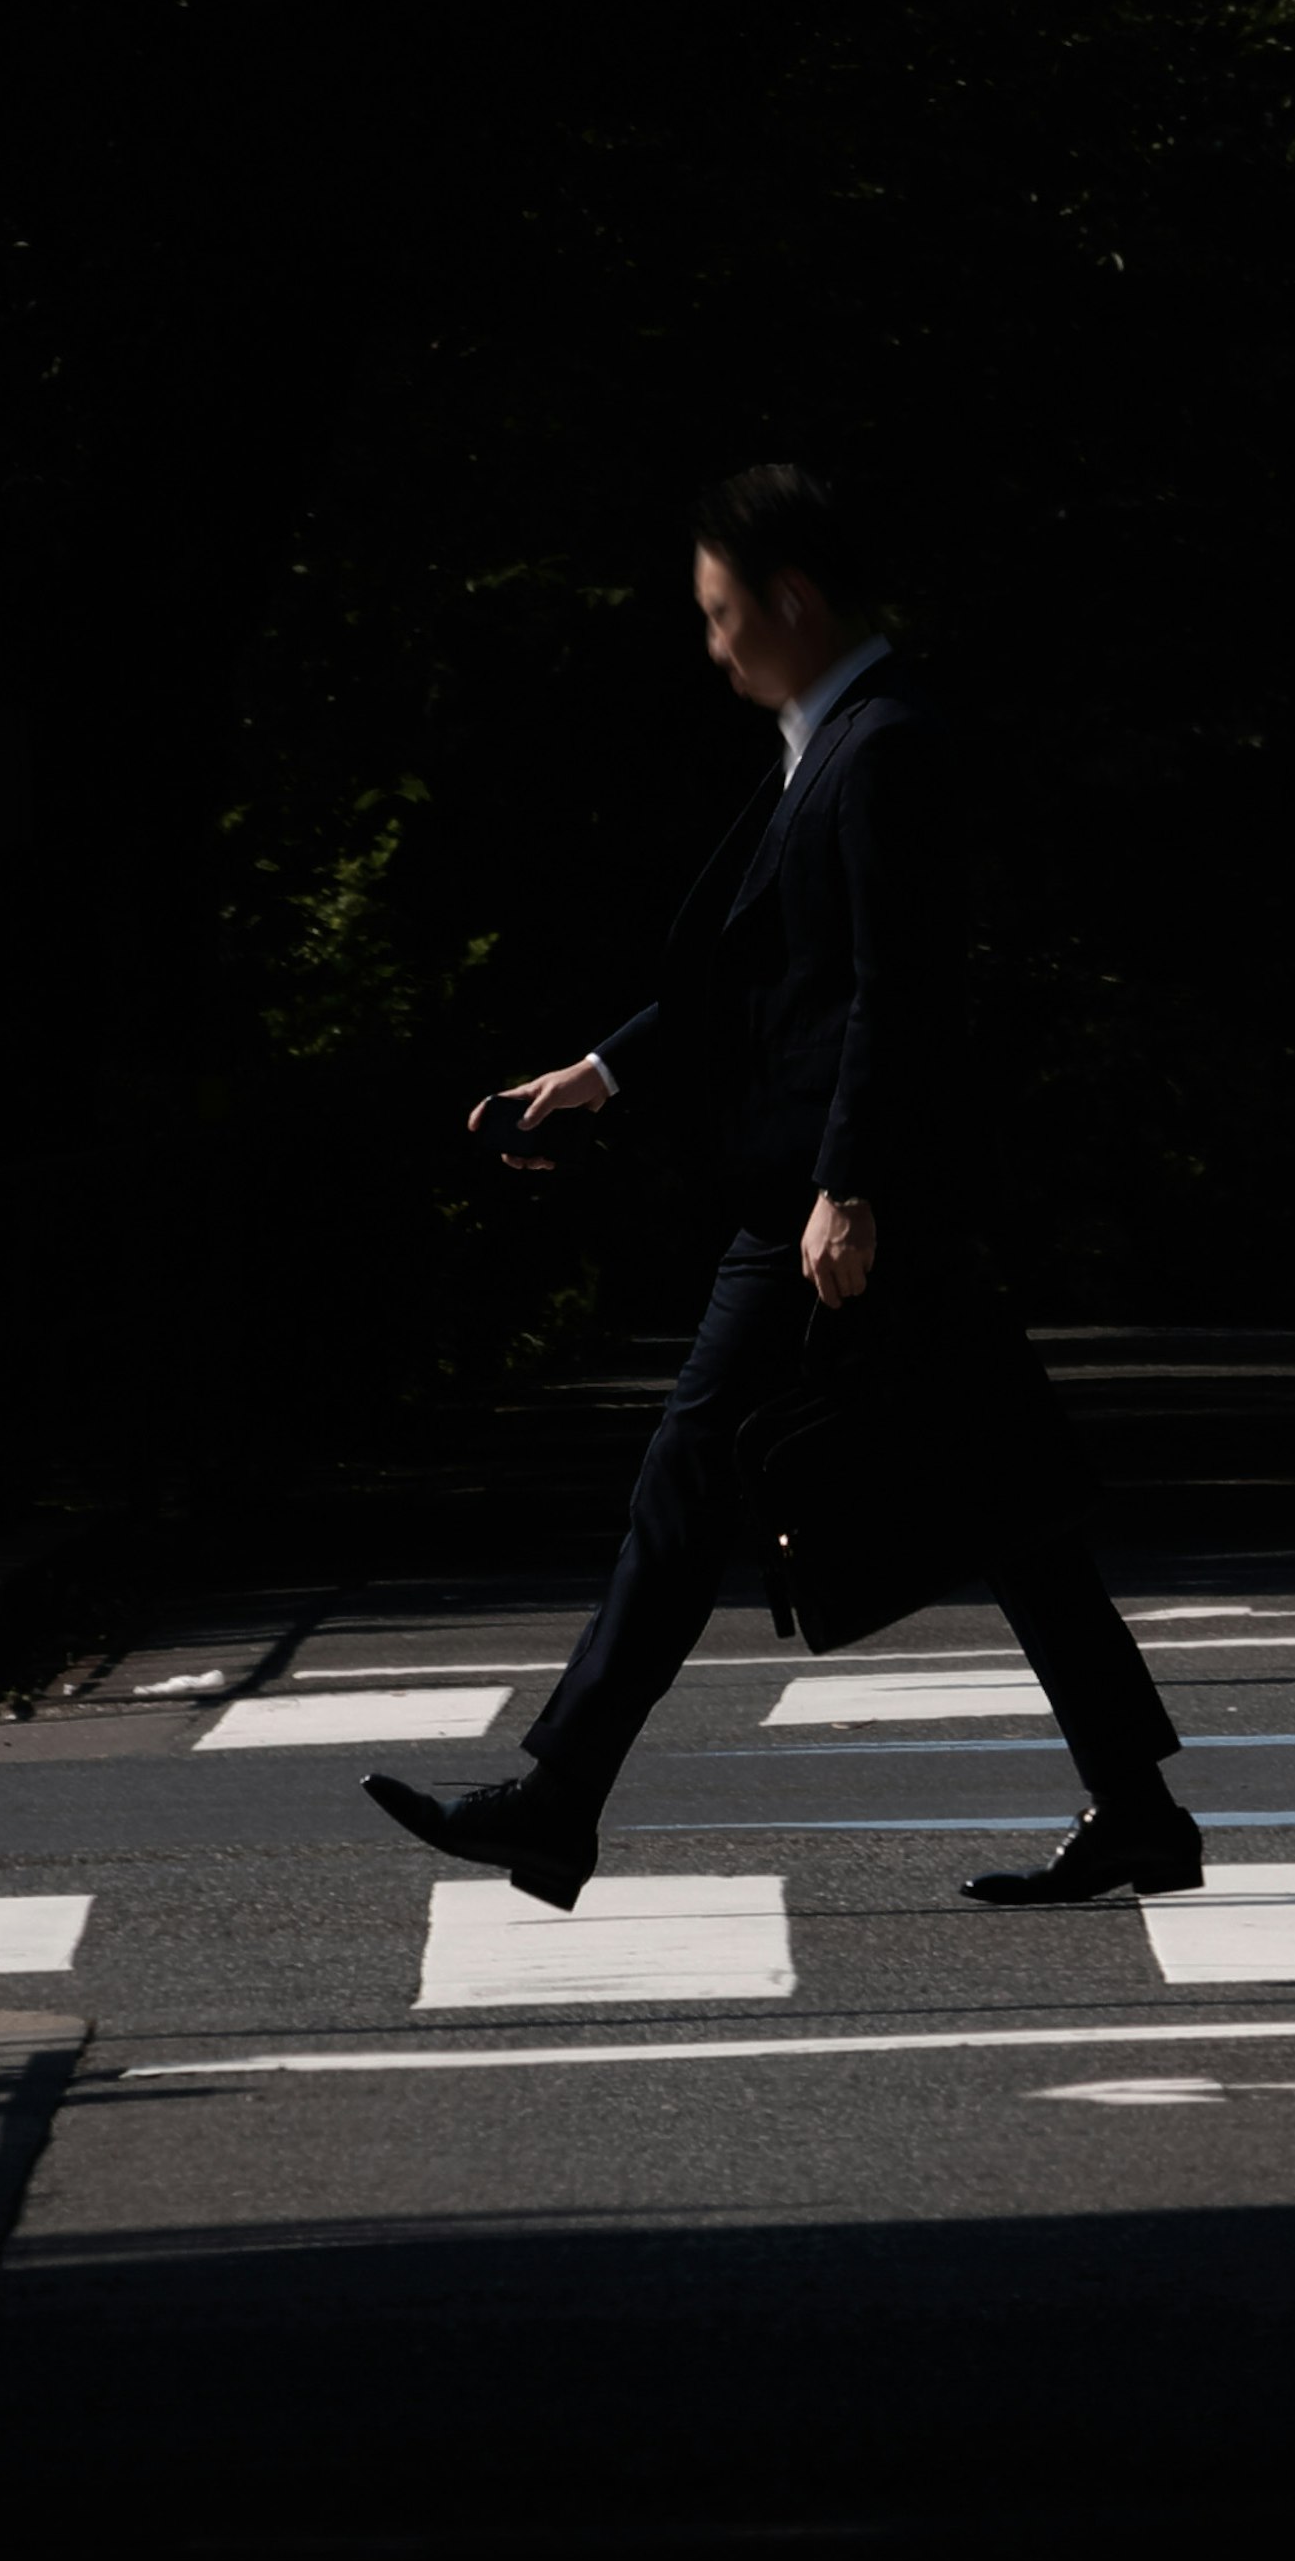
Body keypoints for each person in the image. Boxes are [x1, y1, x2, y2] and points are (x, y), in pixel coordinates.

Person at [363, 462, 1198, 1917]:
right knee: (1004, 1501)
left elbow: (901, 996)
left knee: (690, 1479)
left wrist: (851, 1184)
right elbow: (755, 975)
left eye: (721, 610)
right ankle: (1137, 1806)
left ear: (794, 599)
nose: (712, 641)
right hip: (856, 1202)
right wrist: (598, 1074)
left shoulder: (883, 750)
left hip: (839, 1211)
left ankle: (557, 1799)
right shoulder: (836, 745)